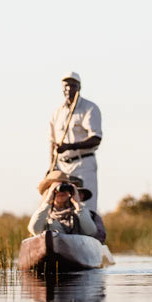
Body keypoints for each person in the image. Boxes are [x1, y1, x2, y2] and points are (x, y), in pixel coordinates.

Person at [50, 71, 102, 208]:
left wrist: (70, 146)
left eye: (72, 86)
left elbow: (96, 138)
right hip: (62, 166)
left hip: (83, 164)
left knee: (86, 206)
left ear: (79, 87)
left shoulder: (89, 108)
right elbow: (53, 143)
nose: (69, 89)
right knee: (61, 207)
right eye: (66, 86)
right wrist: (52, 167)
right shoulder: (57, 113)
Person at [28, 170, 98, 237]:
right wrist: (48, 200)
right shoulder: (45, 214)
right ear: (49, 191)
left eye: (65, 188)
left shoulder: (79, 212)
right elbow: (35, 229)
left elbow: (90, 232)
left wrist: (78, 205)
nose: (61, 192)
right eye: (57, 189)